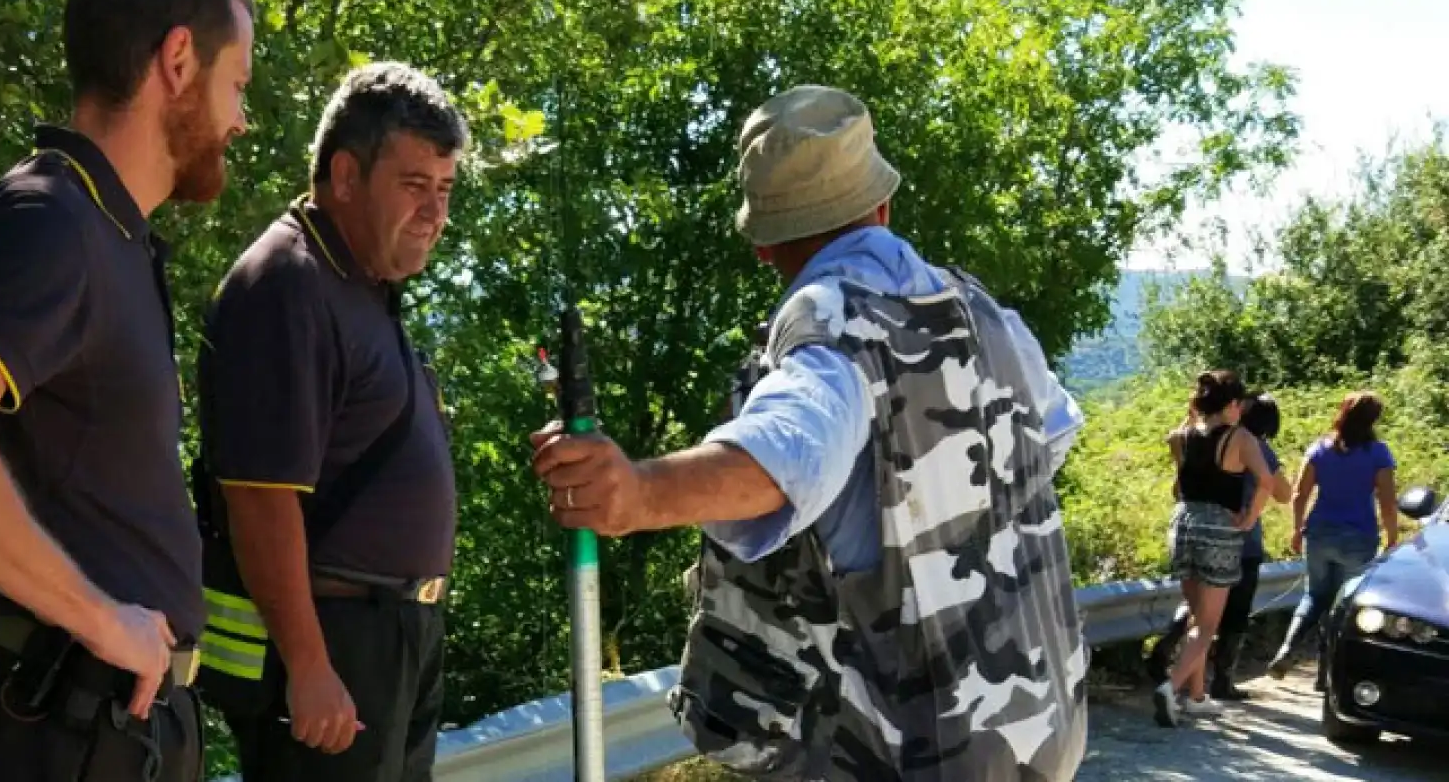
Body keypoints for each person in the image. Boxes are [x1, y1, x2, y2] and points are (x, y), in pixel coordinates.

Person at [531, 85, 1090, 781]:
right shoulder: (984, 312)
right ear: (881, 207)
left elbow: (786, 454)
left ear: (765, 247)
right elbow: (1052, 435)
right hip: (1040, 730)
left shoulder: (832, 322)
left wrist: (637, 492)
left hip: (911, 755)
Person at [0, 0, 254, 781]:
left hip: (118, 727)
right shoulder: (49, 220)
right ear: (178, 60)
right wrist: (99, 618)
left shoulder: (113, 235)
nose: (241, 120)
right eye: (237, 84)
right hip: (58, 727)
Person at [194, 62, 467, 782]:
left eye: (445, 190)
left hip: (395, 638)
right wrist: (310, 666)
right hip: (337, 647)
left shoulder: (361, 282)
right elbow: (259, 498)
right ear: (345, 176)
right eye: (415, 187)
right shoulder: (288, 283)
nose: (435, 214)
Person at [1150, 371, 1278, 726]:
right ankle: (1171, 688)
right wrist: (1250, 516)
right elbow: (1267, 481)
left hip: (1183, 524)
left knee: (1194, 614)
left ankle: (1196, 696)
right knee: (1208, 624)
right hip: (1219, 530)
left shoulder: (1183, 436)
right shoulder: (1241, 439)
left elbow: (1180, 487)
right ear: (1233, 405)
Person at [1265, 390, 1400, 684]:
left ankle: (1288, 647)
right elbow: (1387, 502)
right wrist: (1392, 537)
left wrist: (1297, 528)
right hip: (1359, 537)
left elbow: (1301, 494)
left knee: (1314, 595)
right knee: (1344, 604)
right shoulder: (1379, 453)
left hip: (1320, 533)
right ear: (1373, 419)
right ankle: (1326, 672)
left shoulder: (1319, 449)